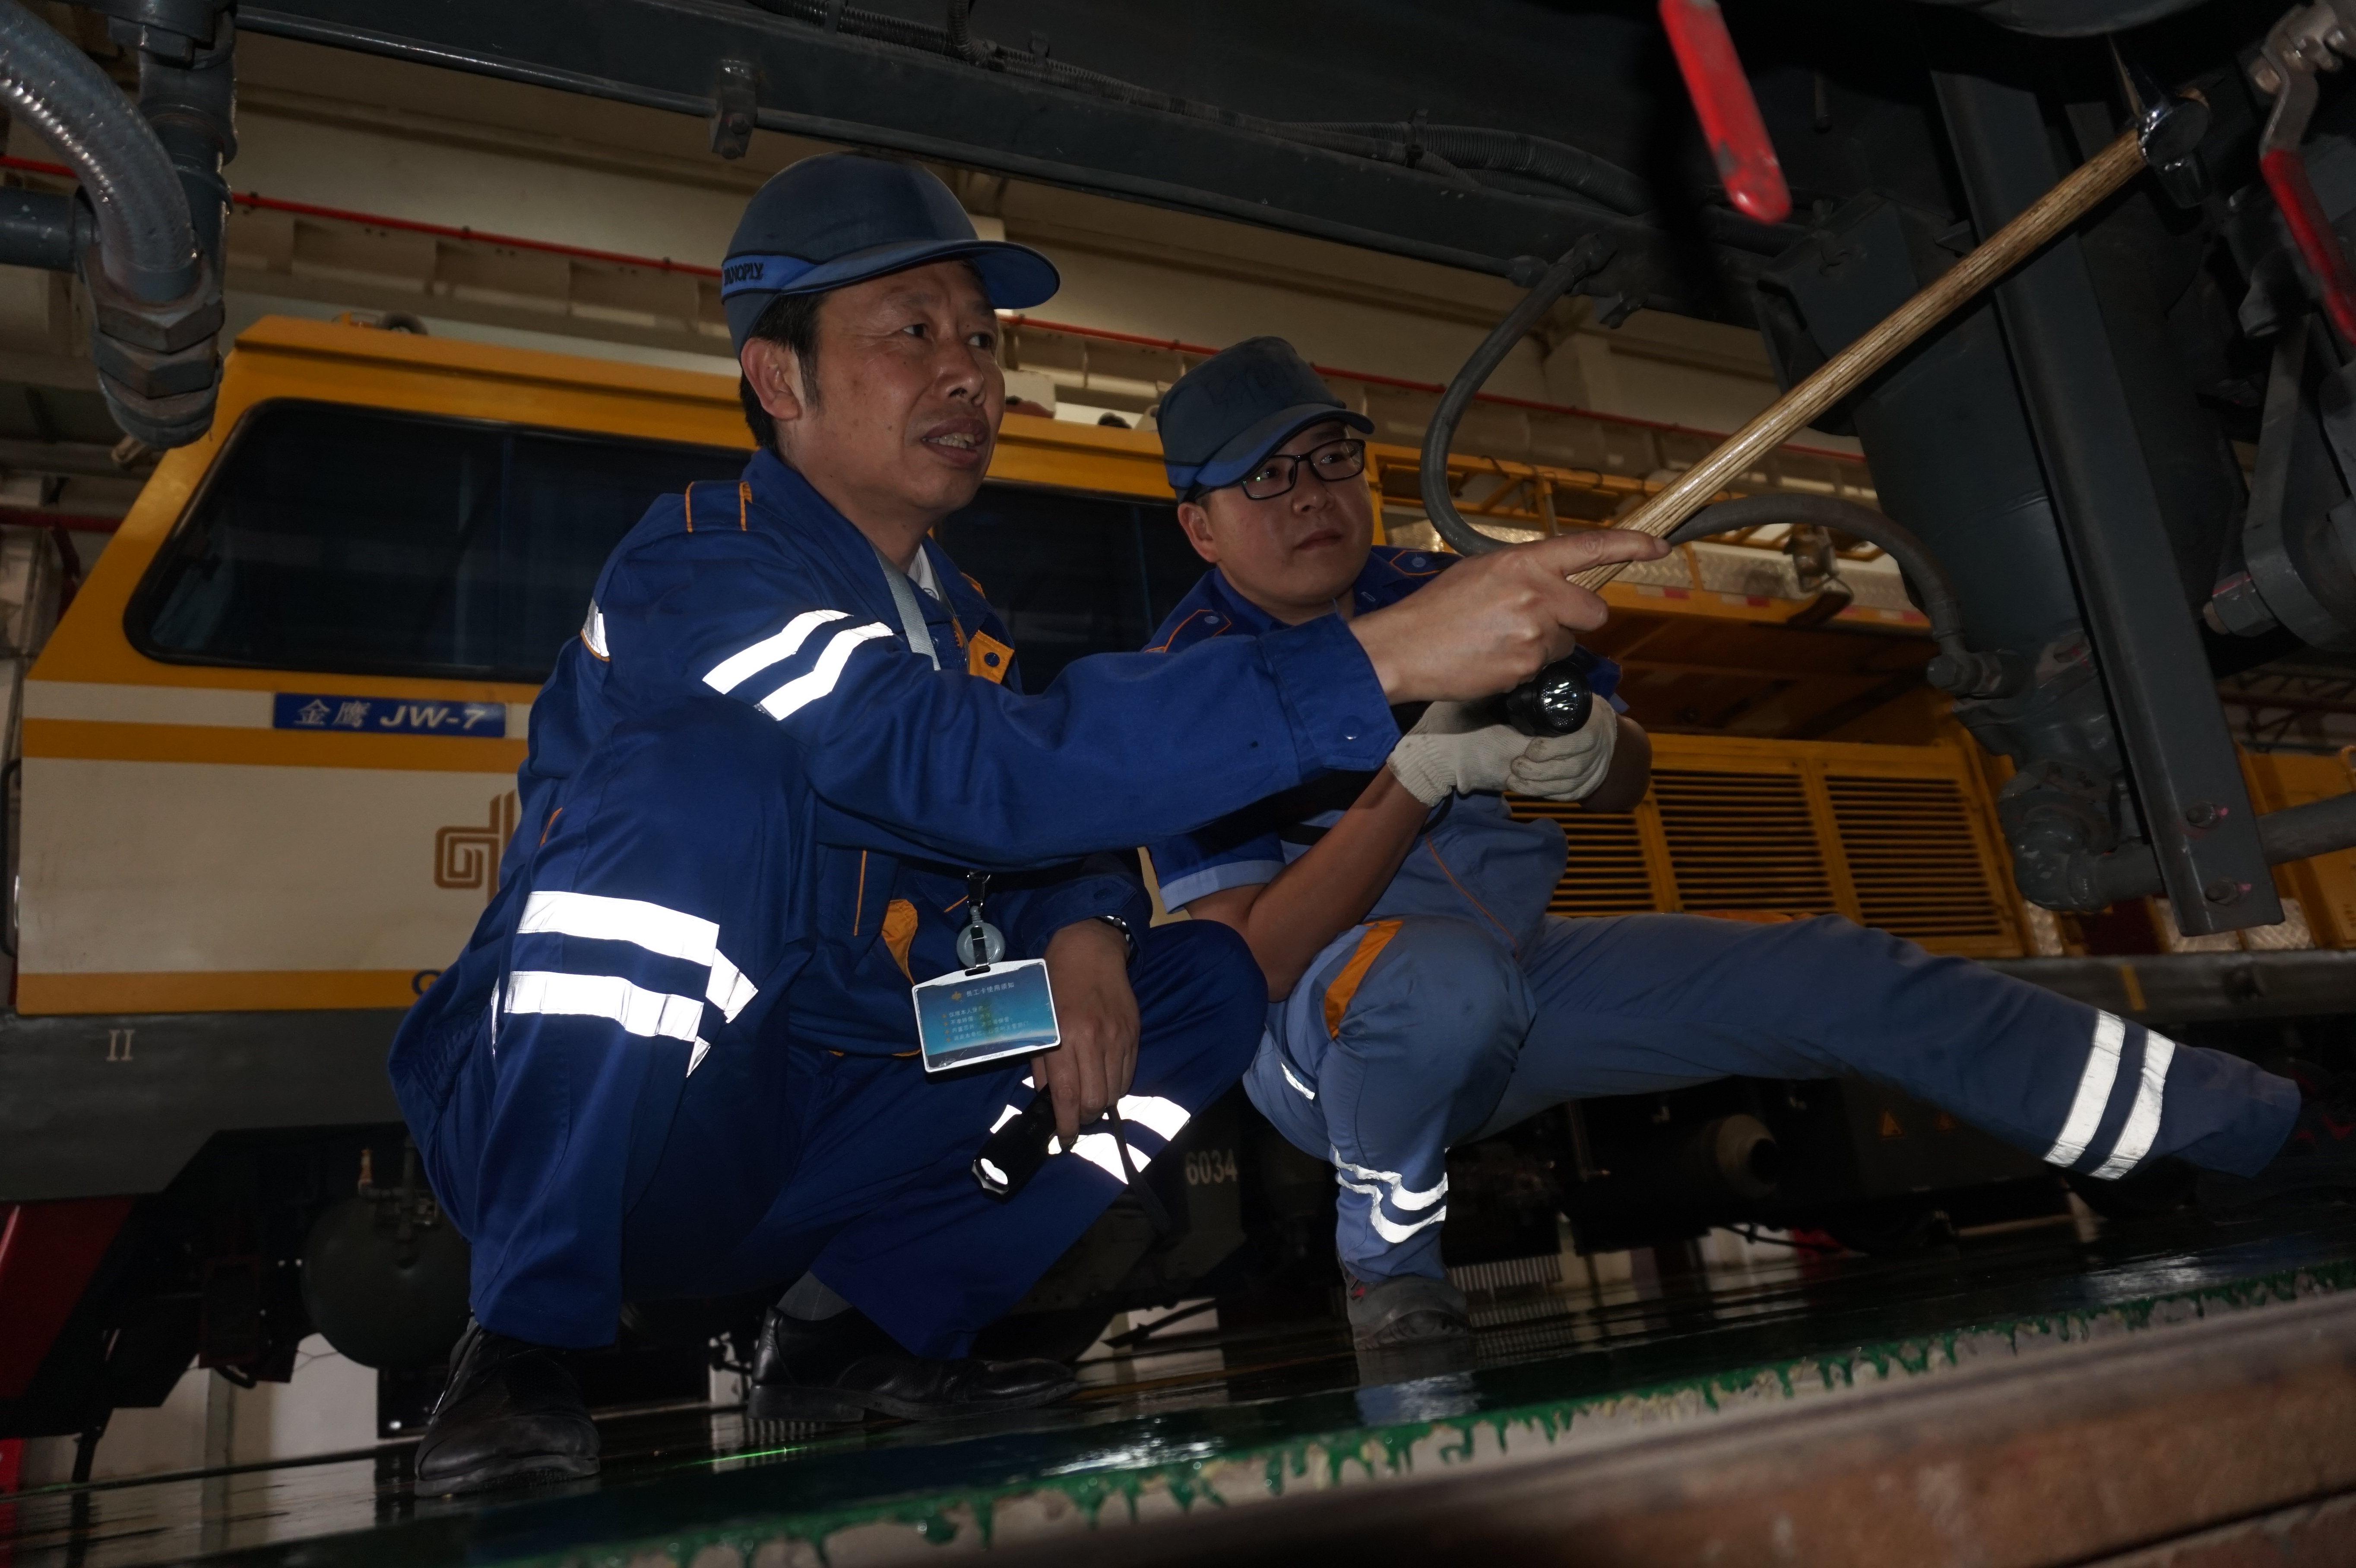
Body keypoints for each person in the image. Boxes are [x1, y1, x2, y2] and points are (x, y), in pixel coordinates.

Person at [393, 157, 1666, 1493]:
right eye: (914, 333)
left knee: (1202, 983)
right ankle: (521, 1337)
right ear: (781, 380)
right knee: (695, 783)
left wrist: (1086, 928)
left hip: (830, 1097)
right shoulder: (702, 567)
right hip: (648, 1127)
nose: (968, 374)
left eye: (983, 342)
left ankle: (859, 1326)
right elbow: (946, 762)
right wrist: (1380, 658)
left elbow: (1029, 813)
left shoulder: (966, 626)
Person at [1141, 337, 2356, 1350]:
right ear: (1201, 528)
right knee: (1437, 979)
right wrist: (1415, 779)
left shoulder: (1443, 590)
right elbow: (1256, 964)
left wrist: (1597, 747)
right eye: (1265, 479)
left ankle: (2254, 1129)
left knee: (1833, 970)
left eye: (1331, 458)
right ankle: (1392, 1278)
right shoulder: (1183, 693)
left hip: (1515, 980)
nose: (1312, 494)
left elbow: (1629, 778)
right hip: (1328, 1044)